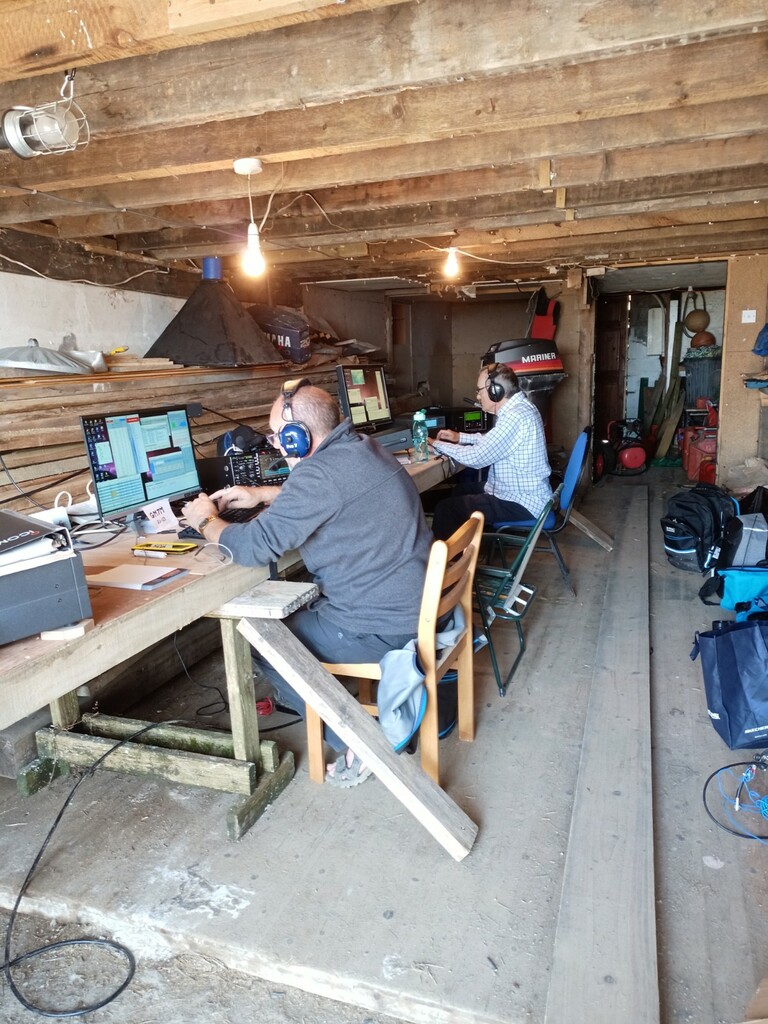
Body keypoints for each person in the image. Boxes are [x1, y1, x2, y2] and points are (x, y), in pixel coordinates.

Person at [182, 379, 433, 787]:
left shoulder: (319, 475)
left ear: (297, 437)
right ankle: (336, 703)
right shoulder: (364, 447)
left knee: (263, 640)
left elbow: (255, 546)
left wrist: (205, 520)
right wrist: (263, 494)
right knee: (293, 619)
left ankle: (360, 740)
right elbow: (333, 491)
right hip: (417, 609)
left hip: (381, 627)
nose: (275, 444)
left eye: (277, 435)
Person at [430, 363, 552, 540]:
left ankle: (451, 558)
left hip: (522, 501)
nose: (478, 396)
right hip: (521, 493)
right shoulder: (523, 407)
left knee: (446, 509)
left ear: (496, 391)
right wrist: (460, 437)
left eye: (480, 390)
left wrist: (436, 444)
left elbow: (476, 457)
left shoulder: (514, 417)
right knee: (459, 491)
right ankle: (468, 548)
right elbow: (494, 441)